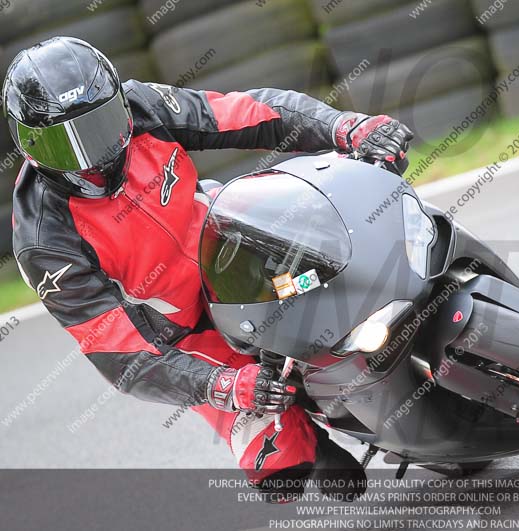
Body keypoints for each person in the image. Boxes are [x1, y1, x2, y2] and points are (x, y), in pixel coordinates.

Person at [4, 36, 412, 502]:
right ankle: (310, 438)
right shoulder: (44, 240)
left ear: (118, 101)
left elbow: (247, 113)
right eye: (66, 143)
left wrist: (347, 127)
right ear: (29, 144)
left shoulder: (144, 107)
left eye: (100, 126)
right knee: (282, 475)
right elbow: (118, 354)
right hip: (191, 334)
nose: (94, 156)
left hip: (235, 252)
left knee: (342, 253)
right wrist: (223, 385)